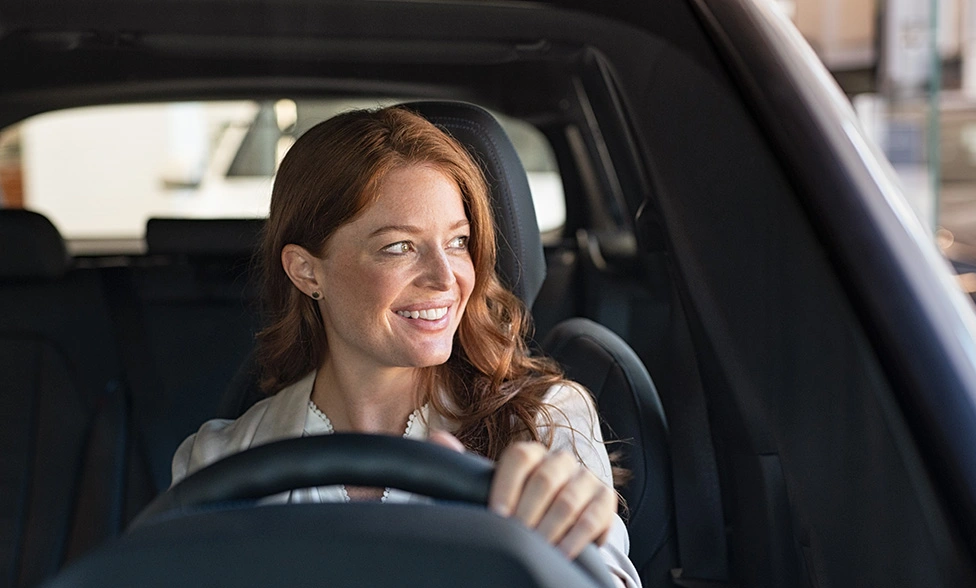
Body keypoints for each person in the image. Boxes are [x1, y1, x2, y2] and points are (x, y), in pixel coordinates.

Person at [171, 105, 641, 587]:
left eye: (458, 242)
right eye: (399, 246)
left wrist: (555, 548)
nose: (446, 279)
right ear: (307, 272)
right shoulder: (218, 462)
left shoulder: (541, 423)